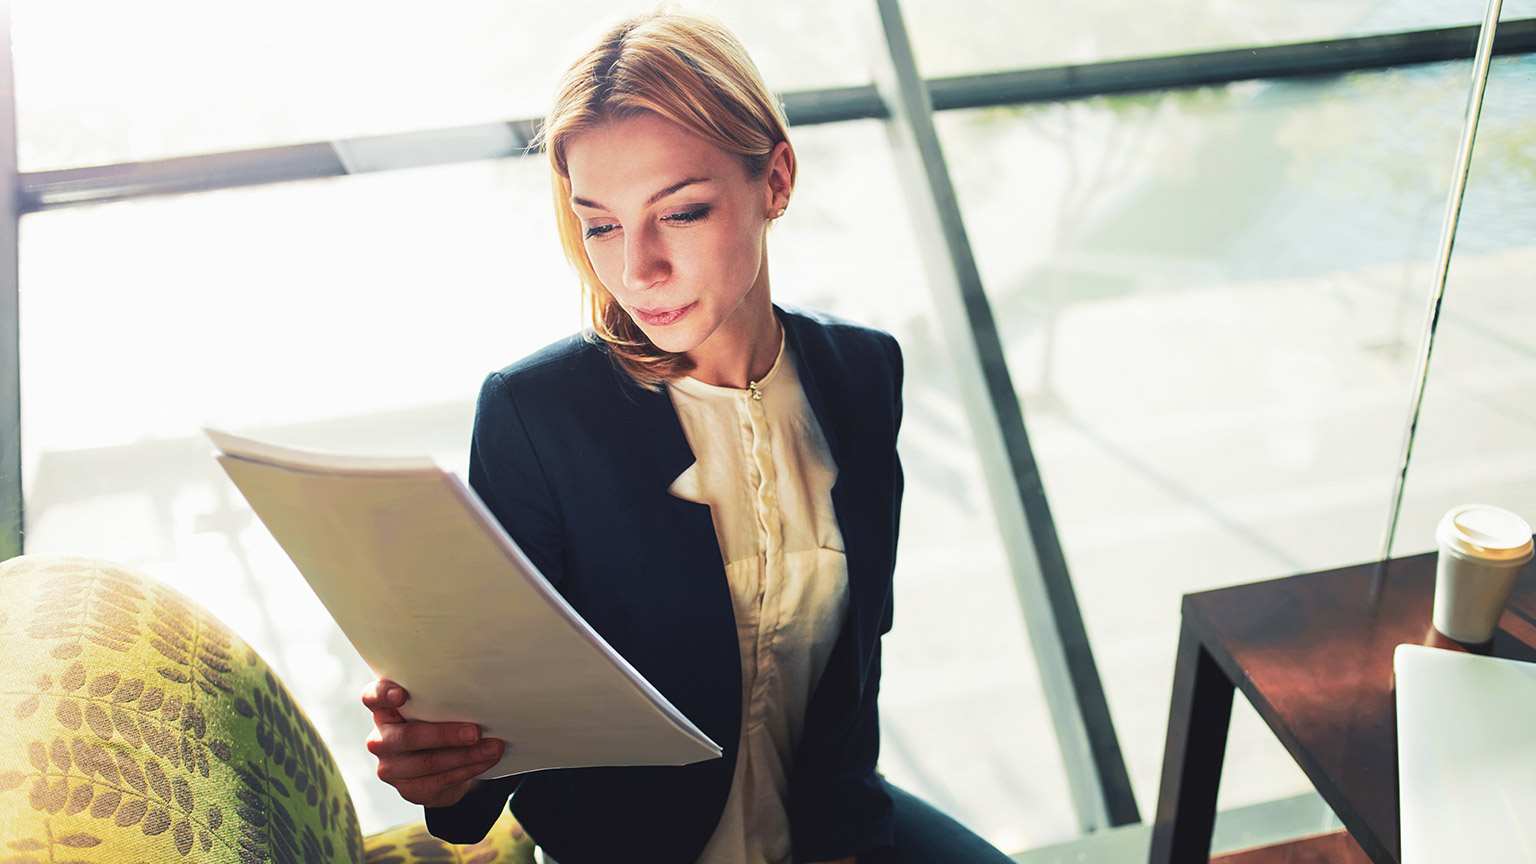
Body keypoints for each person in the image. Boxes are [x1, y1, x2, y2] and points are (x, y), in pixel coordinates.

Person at [360, 8, 1014, 863]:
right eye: (600, 224)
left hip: (830, 824)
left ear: (774, 180)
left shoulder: (861, 374)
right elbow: (498, 734)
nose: (638, 269)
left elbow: (858, 663)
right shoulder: (538, 417)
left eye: (684, 211)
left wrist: (847, 845)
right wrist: (440, 765)